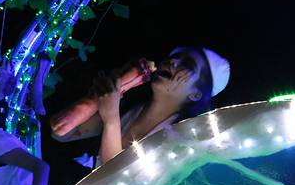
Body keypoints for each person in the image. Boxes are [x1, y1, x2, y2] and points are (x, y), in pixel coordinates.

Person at [52, 46, 231, 166]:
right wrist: (119, 84)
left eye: (187, 65)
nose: (173, 62)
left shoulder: (180, 142)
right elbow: (61, 132)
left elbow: (113, 180)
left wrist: (111, 119)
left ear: (196, 94)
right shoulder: (130, 106)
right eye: (174, 56)